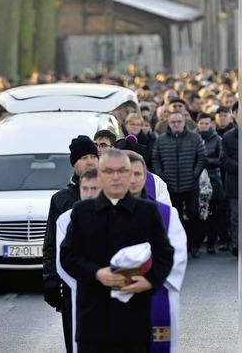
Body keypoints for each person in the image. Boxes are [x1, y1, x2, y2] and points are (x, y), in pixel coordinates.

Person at [60, 149, 174, 353]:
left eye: (121, 171)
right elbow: (68, 255)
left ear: (130, 174)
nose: (115, 177)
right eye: (108, 171)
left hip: (134, 321)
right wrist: (96, 273)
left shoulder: (147, 212)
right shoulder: (82, 211)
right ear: (100, 174)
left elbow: (164, 254)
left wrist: (149, 281)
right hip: (93, 320)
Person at [126, 151, 187, 353]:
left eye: (138, 174)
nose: (133, 180)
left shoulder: (167, 214)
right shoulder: (102, 212)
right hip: (116, 294)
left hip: (156, 291)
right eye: (128, 173)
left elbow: (177, 254)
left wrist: (151, 279)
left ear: (145, 177)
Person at [43, 135, 98, 353]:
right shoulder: (61, 199)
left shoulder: (110, 191)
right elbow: (51, 243)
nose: (90, 161)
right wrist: (50, 280)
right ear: (74, 163)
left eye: (93, 156)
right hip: (72, 284)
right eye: (84, 157)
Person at [55, 168, 102, 353]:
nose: (90, 194)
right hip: (81, 293)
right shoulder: (67, 219)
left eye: (95, 188)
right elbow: (64, 259)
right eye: (85, 188)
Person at [152, 113, 206, 258]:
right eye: (173, 122)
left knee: (194, 216)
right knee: (176, 218)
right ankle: (180, 247)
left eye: (179, 121)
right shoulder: (161, 140)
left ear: (184, 122)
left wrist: (194, 174)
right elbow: (155, 158)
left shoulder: (194, 138)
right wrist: (161, 175)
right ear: (168, 123)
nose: (176, 124)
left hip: (190, 185)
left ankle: (194, 246)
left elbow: (201, 157)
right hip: (170, 186)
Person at [196, 112, 224, 254]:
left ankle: (211, 242)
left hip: (213, 180)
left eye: (207, 123)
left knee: (213, 212)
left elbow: (221, 159)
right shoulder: (194, 138)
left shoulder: (218, 139)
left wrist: (204, 161)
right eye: (202, 123)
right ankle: (198, 241)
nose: (204, 126)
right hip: (196, 180)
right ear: (198, 124)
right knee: (199, 212)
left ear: (211, 124)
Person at [220, 122, 238, 256]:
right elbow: (224, 159)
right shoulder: (228, 137)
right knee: (236, 217)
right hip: (235, 183)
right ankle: (238, 245)